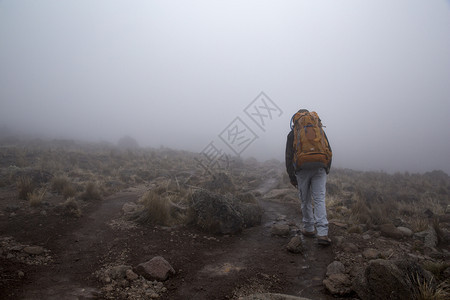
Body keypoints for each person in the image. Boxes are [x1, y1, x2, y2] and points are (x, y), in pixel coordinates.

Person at [285, 109, 332, 246]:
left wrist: (291, 176)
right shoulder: (319, 129)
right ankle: (323, 234)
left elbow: (288, 156)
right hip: (320, 167)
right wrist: (326, 168)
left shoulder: (293, 133)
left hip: (302, 169)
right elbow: (328, 148)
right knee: (319, 199)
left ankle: (309, 228)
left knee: (305, 200)